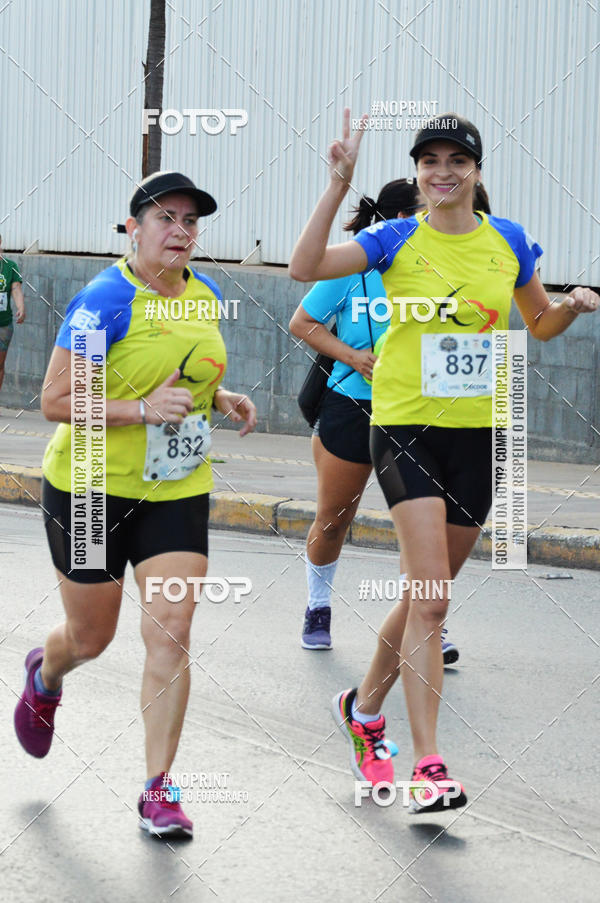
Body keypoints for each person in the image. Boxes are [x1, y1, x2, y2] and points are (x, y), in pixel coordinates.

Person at [289, 110, 599, 812]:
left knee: (423, 595)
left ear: (477, 170)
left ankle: (363, 710)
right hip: (403, 428)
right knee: (432, 598)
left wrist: (575, 307)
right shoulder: (395, 237)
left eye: (456, 160)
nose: (441, 172)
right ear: (419, 173)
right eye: (429, 161)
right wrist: (337, 185)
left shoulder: (509, 241)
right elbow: (306, 268)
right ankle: (428, 764)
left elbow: (540, 323)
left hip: (480, 433)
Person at [13, 171, 257, 838]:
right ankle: (47, 671)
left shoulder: (202, 297)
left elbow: (191, 372)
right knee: (92, 635)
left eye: (191, 222)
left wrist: (222, 397)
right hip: (90, 484)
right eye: (166, 218)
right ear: (134, 228)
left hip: (173, 487)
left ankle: (159, 787)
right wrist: (142, 409)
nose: (180, 231)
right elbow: (56, 401)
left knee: (172, 628)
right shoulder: (105, 301)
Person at [290, 180, 424, 651]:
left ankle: (426, 620)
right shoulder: (353, 266)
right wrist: (352, 355)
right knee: (333, 519)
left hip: (413, 408)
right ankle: (317, 606)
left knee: (421, 522)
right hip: (351, 405)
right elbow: (301, 323)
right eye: (420, 214)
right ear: (396, 220)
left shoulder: (435, 268)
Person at [0, 234, 25, 395]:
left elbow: (16, 289)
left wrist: (21, 306)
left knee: (0, 364)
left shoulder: (10, 266)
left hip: (3, 324)